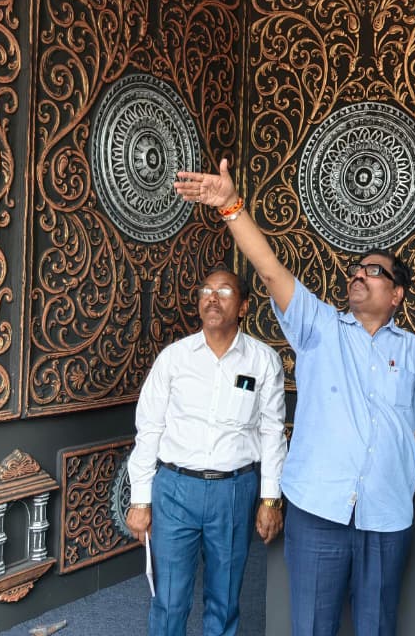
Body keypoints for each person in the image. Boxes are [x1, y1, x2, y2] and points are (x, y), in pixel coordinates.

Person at [175, 159, 415, 636]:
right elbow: (269, 269)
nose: (359, 275)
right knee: (312, 628)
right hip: (319, 512)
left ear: (397, 294)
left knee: (377, 628)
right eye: (356, 269)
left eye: (374, 270)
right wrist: (231, 206)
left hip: (386, 516)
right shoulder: (318, 327)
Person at [126, 265, 288, 636]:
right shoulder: (174, 358)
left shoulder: (263, 360)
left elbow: (272, 432)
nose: (212, 298)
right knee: (169, 598)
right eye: (205, 291)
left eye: (225, 291)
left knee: (224, 598)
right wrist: (140, 500)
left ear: (243, 306)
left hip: (234, 491)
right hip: (175, 489)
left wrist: (270, 499)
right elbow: (149, 429)